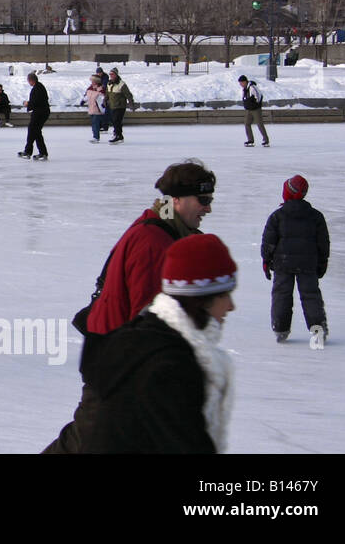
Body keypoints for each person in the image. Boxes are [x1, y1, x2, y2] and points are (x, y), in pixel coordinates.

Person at [43, 159, 216, 453]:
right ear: (176, 200)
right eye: (203, 200)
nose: (208, 208)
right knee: (85, 443)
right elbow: (147, 319)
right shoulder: (154, 242)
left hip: (121, 359)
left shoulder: (165, 230)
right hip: (116, 363)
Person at [80, 234, 237, 454]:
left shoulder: (139, 341)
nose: (231, 306)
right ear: (200, 299)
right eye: (225, 295)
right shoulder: (168, 366)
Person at [262, 175, 330, 346]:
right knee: (311, 296)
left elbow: (269, 241)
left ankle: (281, 328)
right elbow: (323, 243)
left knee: (281, 295)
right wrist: (322, 263)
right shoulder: (315, 216)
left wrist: (266, 260)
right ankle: (318, 329)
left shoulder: (278, 216)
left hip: (282, 263)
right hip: (308, 264)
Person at [18, 72, 50, 160]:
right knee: (36, 132)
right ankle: (42, 153)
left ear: (31, 80)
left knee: (32, 130)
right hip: (41, 112)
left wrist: (28, 104)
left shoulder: (37, 88)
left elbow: (36, 102)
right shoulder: (38, 87)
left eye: (28, 81)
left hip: (40, 113)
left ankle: (28, 152)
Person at [238, 75, 270, 147]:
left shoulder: (252, 87)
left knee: (259, 124)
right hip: (249, 110)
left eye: (241, 83)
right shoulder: (245, 89)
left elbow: (259, 95)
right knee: (247, 123)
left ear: (245, 82)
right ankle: (250, 140)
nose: (240, 85)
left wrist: (256, 104)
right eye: (240, 83)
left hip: (255, 109)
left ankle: (266, 140)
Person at [105, 67, 134, 143]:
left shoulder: (121, 84)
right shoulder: (109, 83)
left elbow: (128, 95)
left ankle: (118, 135)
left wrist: (131, 104)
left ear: (116, 74)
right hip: (112, 105)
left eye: (112, 74)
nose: (111, 75)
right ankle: (119, 135)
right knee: (114, 121)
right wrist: (105, 100)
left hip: (120, 106)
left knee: (116, 120)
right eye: (110, 74)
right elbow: (107, 93)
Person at [84, 74, 105, 143]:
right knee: (93, 124)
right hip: (91, 109)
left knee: (95, 124)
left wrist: (102, 105)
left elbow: (102, 99)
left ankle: (96, 137)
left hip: (97, 109)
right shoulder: (90, 88)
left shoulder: (100, 89)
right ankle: (95, 136)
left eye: (93, 81)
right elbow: (87, 96)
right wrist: (83, 100)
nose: (91, 82)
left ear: (96, 81)